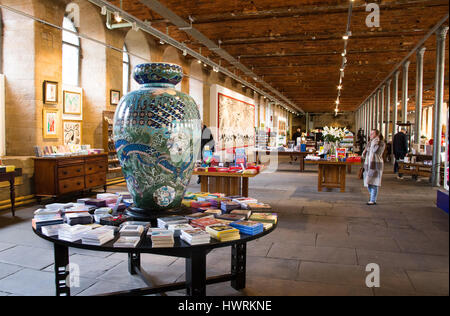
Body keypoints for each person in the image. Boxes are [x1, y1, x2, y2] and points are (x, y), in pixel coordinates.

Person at [362, 129, 386, 205]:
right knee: (368, 181)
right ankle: (372, 196)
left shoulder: (380, 143)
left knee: (374, 182)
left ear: (377, 135)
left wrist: (374, 142)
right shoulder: (370, 142)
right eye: (370, 133)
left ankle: (373, 200)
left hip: (375, 164)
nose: (370, 135)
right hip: (368, 164)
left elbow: (375, 150)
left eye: (372, 134)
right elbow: (365, 152)